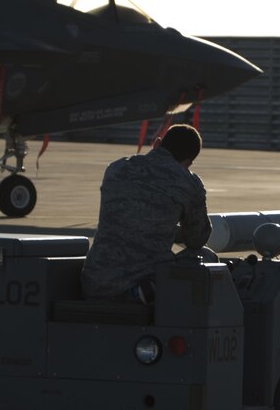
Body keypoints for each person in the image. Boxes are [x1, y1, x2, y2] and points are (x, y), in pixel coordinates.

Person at [81, 123, 212, 302]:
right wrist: (173, 231)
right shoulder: (188, 182)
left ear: (157, 143)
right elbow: (196, 239)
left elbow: (131, 220)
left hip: (95, 281)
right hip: (139, 284)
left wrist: (166, 229)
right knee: (206, 257)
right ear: (188, 163)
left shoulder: (117, 168)